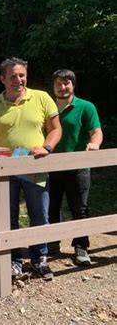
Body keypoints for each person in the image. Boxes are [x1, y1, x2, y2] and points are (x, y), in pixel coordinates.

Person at [0, 57, 62, 280]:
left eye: (22, 75)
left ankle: (39, 259)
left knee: (39, 215)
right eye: (13, 76)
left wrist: (47, 147)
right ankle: (14, 262)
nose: (18, 80)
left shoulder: (42, 98)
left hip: (35, 165)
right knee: (8, 219)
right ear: (2, 79)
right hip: (3, 171)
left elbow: (56, 130)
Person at [48, 69, 103, 265]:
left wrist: (95, 143)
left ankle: (81, 247)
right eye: (58, 83)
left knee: (80, 209)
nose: (62, 87)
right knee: (51, 207)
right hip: (51, 166)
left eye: (66, 83)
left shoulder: (85, 107)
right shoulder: (47, 107)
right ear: (53, 85)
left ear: (73, 85)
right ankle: (52, 244)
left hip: (79, 167)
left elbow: (96, 131)